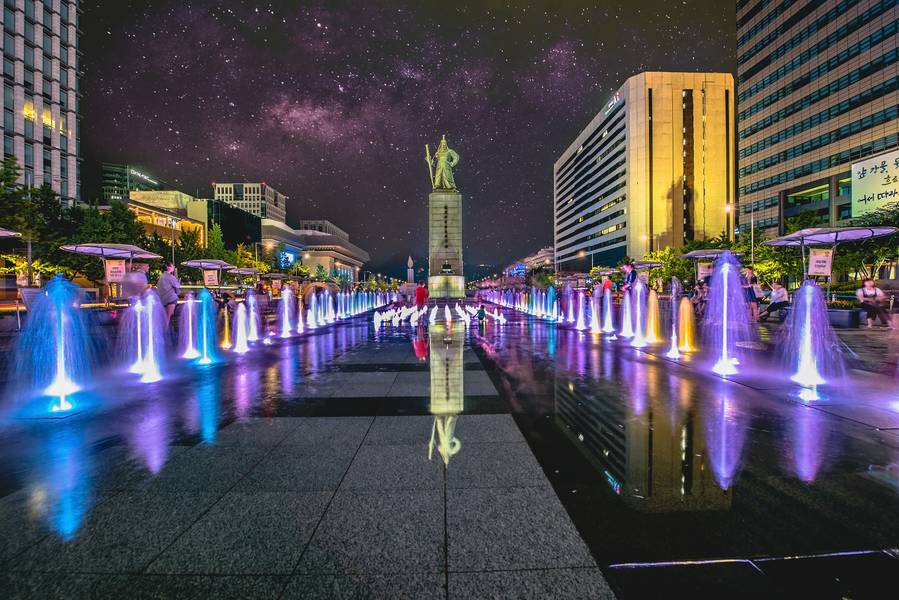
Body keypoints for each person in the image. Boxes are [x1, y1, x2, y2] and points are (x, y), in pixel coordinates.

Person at [156, 260, 181, 326]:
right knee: (168, 317)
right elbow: (177, 285)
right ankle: (165, 333)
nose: (174, 267)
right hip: (170, 299)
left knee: (166, 317)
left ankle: (166, 332)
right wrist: (178, 280)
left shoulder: (161, 277)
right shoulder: (170, 277)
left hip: (163, 299)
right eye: (172, 266)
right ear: (168, 267)